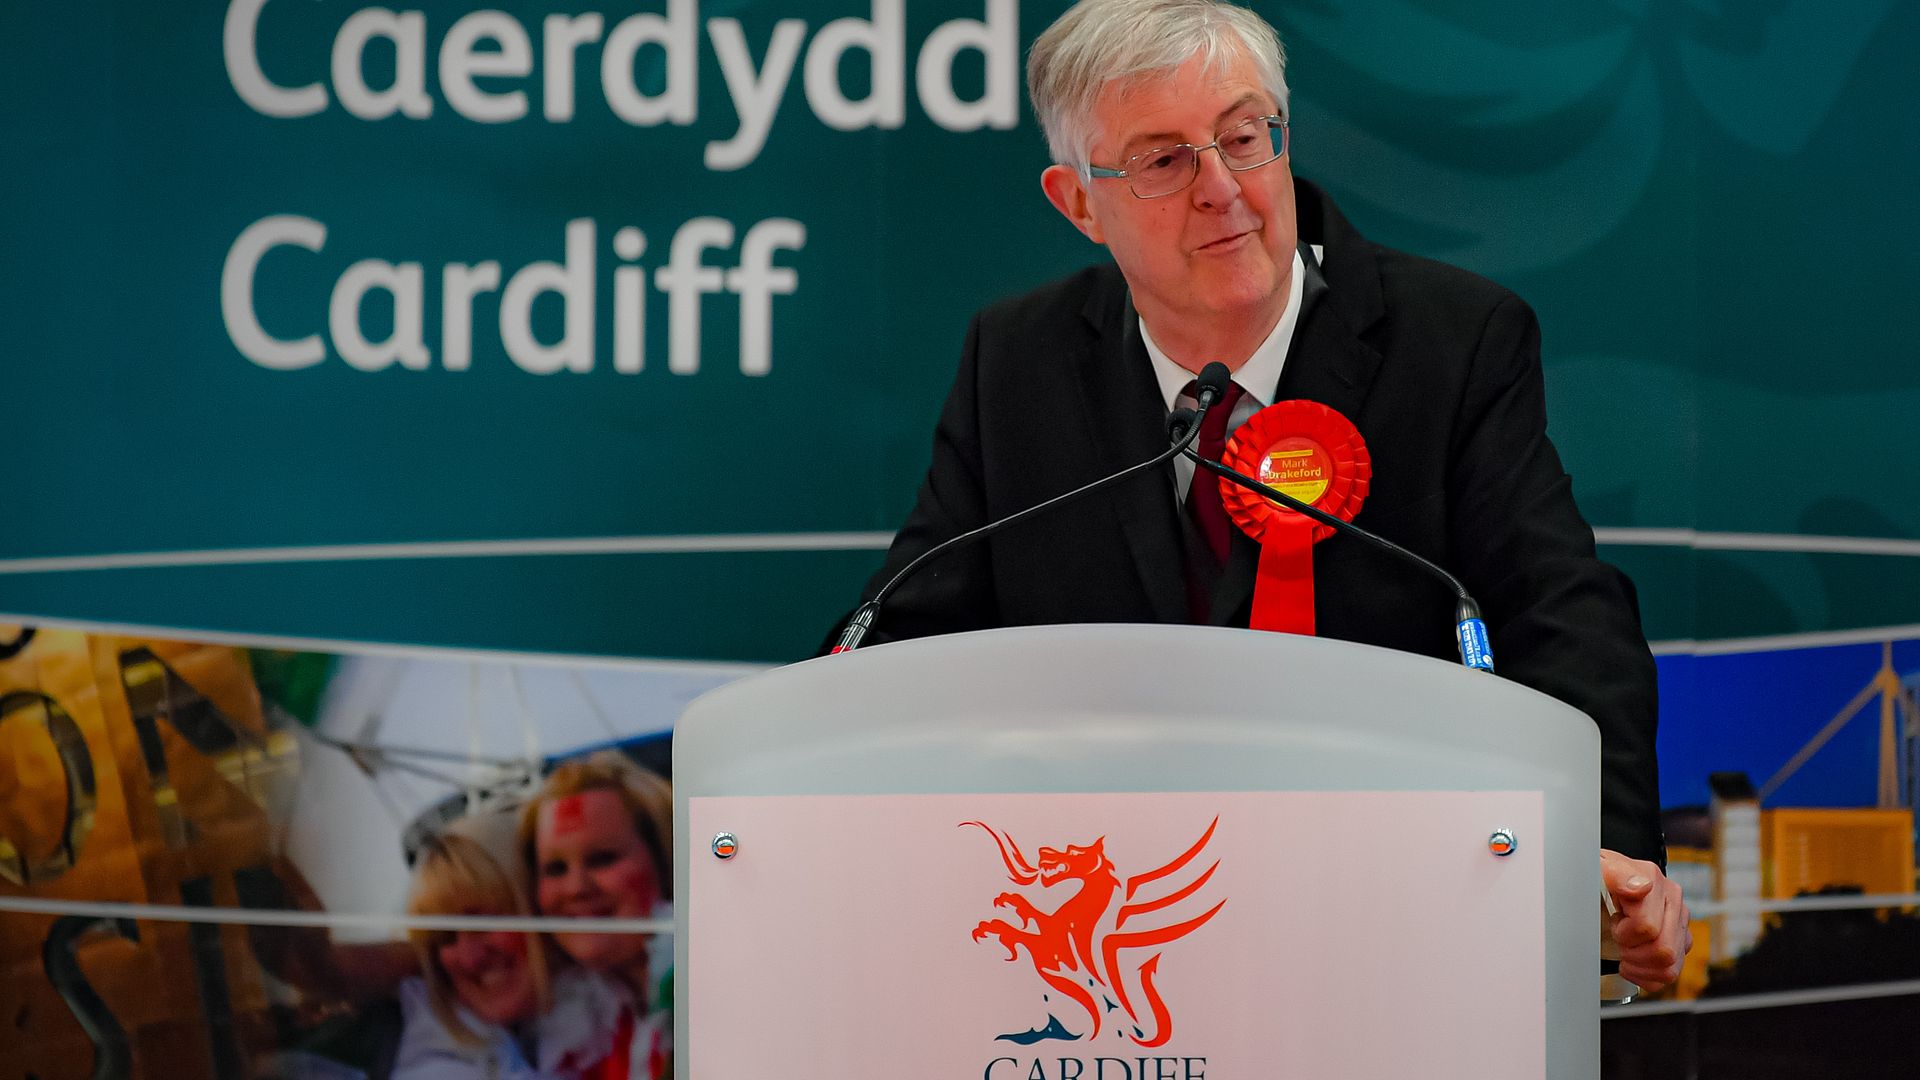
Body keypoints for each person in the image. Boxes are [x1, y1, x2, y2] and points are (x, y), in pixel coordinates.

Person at [850, 0, 1689, 992]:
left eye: (1243, 137)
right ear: (1078, 201)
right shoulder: (1019, 362)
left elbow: (1563, 614)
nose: (1223, 188)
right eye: (1164, 160)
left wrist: (1600, 859)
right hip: (1125, 951)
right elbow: (900, 640)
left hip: (1393, 941)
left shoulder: (1453, 342)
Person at [518, 752, 675, 1079]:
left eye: (603, 858)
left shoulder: (724, 980)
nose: (577, 888)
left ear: (665, 862)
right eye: (555, 869)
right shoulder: (548, 1014)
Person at [393, 833, 552, 1079]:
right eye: (445, 938)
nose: (470, 958)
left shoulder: (618, 1008)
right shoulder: (436, 1064)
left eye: (481, 921)